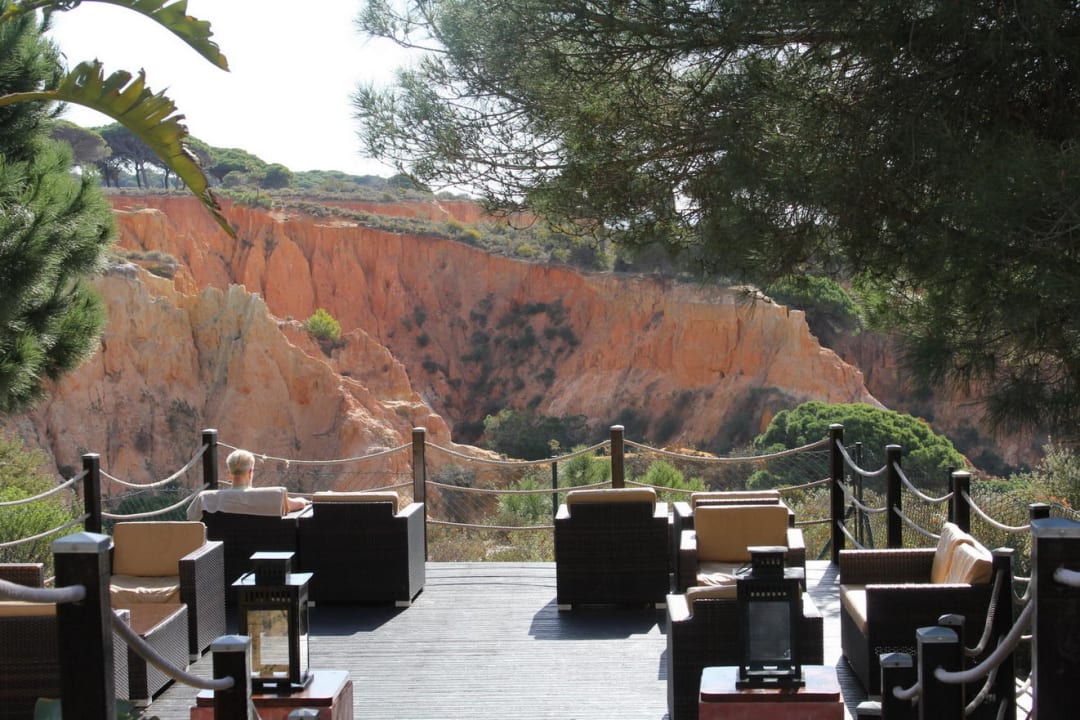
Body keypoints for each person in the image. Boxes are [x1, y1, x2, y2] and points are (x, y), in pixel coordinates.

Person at [225, 448, 310, 512]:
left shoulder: (218, 499)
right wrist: (302, 500)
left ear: (229, 474)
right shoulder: (270, 497)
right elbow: (298, 504)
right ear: (250, 472)